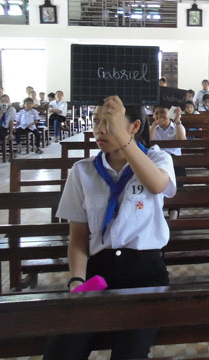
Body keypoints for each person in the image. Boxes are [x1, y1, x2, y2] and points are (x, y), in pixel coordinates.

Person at [43, 97, 177, 359]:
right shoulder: (82, 171)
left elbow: (157, 185)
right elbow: (78, 237)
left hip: (145, 276)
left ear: (134, 126)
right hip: (98, 275)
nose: (100, 130)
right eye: (96, 122)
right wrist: (77, 282)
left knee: (128, 354)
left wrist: (126, 143)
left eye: (109, 122)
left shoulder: (157, 159)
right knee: (61, 351)